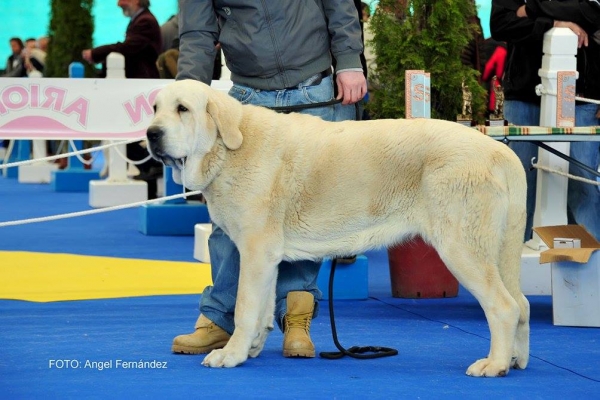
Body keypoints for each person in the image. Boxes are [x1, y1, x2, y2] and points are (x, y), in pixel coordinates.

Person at [172, 0, 367, 359]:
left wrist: (350, 61)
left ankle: (295, 317)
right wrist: (186, 97)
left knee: (307, 210)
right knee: (230, 217)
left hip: (315, 88)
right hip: (246, 98)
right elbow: (197, 31)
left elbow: (339, 5)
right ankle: (221, 319)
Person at [491, 0, 600, 241]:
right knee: (519, 185)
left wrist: (531, 9)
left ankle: (592, 269)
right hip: (523, 96)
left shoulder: (533, 7)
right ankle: (515, 264)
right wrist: (554, 23)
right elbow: (500, 24)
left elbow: (593, 13)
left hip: (582, 97)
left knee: (580, 183)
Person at [82, 0, 164, 199]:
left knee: (132, 136)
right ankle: (151, 171)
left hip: (141, 89)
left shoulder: (145, 21)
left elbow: (127, 48)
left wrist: (96, 53)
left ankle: (153, 168)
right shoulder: (142, 20)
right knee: (130, 136)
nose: (118, 3)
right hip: (136, 88)